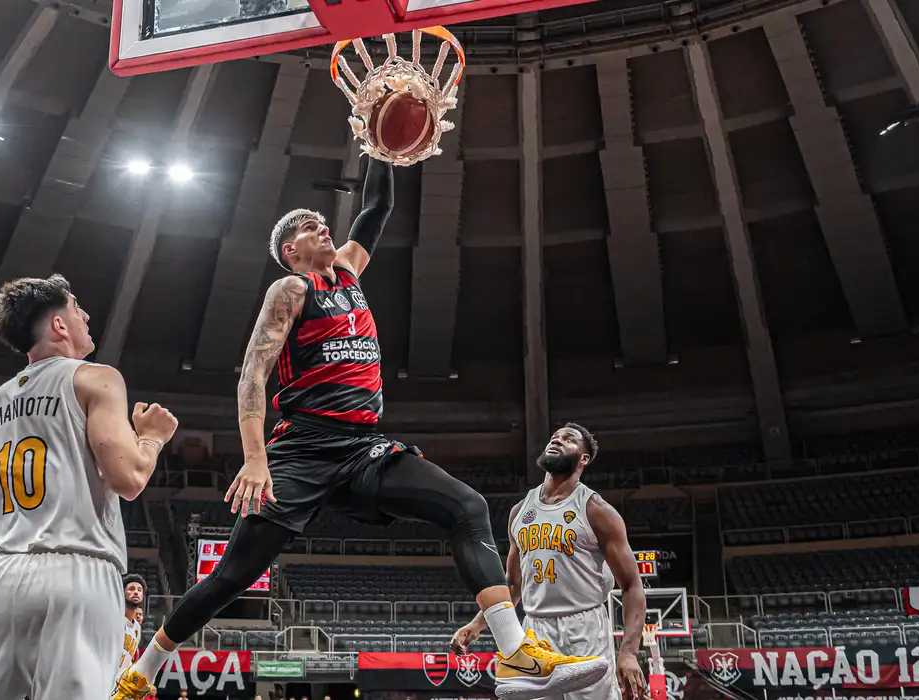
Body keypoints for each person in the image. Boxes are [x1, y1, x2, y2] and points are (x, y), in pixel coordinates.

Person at [114, 160, 608, 700]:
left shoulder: (348, 269)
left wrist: (380, 147)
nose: (324, 227)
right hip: (301, 450)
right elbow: (252, 374)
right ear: (291, 251)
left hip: (360, 448)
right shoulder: (290, 290)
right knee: (232, 577)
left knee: (467, 506)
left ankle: (515, 653)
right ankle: (141, 673)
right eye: (310, 227)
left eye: (323, 222)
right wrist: (255, 458)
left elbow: (377, 207)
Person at [0, 274, 179, 700]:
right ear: (59, 325)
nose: (86, 316)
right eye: (77, 308)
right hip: (76, 567)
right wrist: (152, 437)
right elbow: (129, 479)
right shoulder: (96, 378)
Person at [450, 424, 649, 700]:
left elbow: (632, 585)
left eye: (568, 439)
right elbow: (513, 586)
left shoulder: (596, 510)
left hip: (584, 628)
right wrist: (477, 624)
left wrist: (628, 652)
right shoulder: (520, 511)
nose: (557, 440)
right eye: (555, 437)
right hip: (535, 631)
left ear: (583, 458)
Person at [117, 574, 147, 685]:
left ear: (142, 596)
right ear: (123, 593)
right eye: (131, 589)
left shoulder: (137, 628)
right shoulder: (116, 618)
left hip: (121, 684)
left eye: (139, 590)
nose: (136, 592)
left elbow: (128, 658)